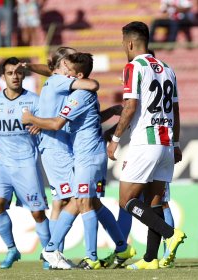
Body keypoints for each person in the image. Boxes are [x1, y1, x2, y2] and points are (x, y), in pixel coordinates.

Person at [22, 52, 136, 270]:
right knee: (91, 202)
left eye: (70, 71)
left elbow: (57, 123)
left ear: (78, 75)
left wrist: (32, 119)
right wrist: (111, 111)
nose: (66, 74)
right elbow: (86, 118)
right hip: (90, 154)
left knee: (79, 201)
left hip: (87, 156)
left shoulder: (79, 94)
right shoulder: (79, 92)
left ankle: (63, 251)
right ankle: (122, 246)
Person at [107, 21, 186, 270]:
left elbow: (129, 107)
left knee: (126, 201)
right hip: (166, 142)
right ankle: (151, 259)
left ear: (130, 43)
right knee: (154, 202)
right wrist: (176, 143)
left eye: (123, 43)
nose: (123, 47)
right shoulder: (168, 68)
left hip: (145, 141)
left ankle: (170, 233)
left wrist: (115, 139)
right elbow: (175, 110)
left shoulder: (133, 67)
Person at [0, 57, 50, 269]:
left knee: (37, 212)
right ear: (3, 77)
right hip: (1, 162)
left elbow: (46, 125)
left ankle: (47, 254)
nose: (15, 77)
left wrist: (39, 126)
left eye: (18, 73)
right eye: (10, 73)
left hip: (27, 162)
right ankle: (11, 249)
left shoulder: (34, 101)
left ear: (23, 76)